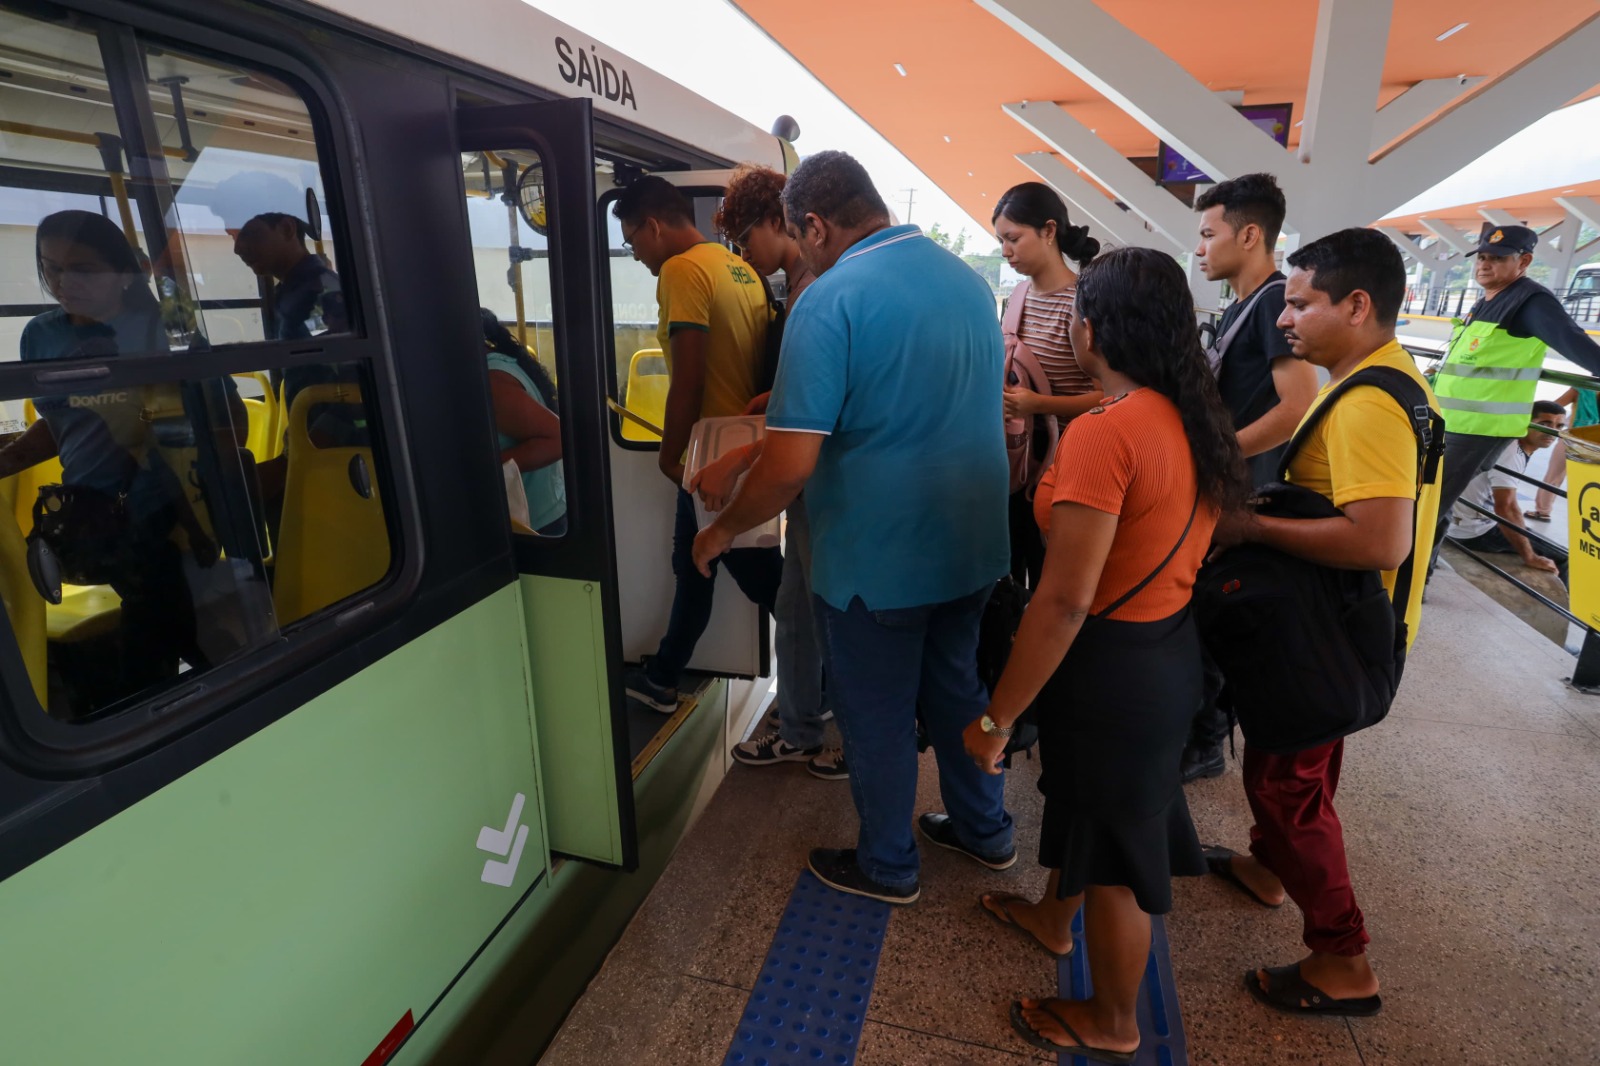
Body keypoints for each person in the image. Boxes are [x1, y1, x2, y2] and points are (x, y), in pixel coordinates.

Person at [691, 150, 1013, 904]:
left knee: (874, 716)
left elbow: (792, 466)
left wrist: (720, 531)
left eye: (802, 241)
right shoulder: (967, 280)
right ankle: (984, 832)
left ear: (814, 223)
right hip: (971, 549)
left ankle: (889, 865)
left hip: (879, 561)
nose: (800, 257)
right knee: (957, 692)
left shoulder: (830, 301)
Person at [959, 248, 1246, 1060]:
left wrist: (996, 716)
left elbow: (1064, 599)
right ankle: (1054, 920)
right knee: (1099, 807)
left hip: (1113, 666)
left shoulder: (1105, 432)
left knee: (1122, 853)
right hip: (1166, 648)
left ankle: (1112, 1019)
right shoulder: (1192, 414)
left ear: (1091, 329)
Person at [1207, 227, 1442, 1020]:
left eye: (1301, 303)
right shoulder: (1389, 375)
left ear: (1357, 304)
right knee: (1300, 769)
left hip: (1334, 638)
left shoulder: (1367, 404)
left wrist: (1253, 528)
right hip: (1355, 628)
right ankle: (1271, 869)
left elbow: (1381, 537)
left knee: (1287, 785)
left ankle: (1342, 959)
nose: (1285, 318)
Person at [0, 210, 214, 709]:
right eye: (49, 267)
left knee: (155, 655)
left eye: (83, 269)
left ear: (124, 273)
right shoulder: (41, 336)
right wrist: (11, 458)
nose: (61, 282)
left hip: (160, 512)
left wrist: (200, 522)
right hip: (84, 511)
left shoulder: (162, 328)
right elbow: (60, 422)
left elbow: (215, 424)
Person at [614, 176, 781, 714]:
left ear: (654, 226)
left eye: (632, 240)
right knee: (697, 562)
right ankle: (663, 674)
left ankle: (826, 683)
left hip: (713, 451)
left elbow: (687, 377)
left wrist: (670, 454)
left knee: (760, 577)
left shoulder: (681, 270)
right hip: (745, 438)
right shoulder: (740, 268)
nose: (635, 253)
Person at [699, 164, 845, 781]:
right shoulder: (802, 285)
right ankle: (807, 718)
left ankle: (808, 728)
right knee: (800, 601)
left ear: (773, 222)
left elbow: (808, 420)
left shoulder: (813, 291)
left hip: (814, 479)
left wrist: (736, 461)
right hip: (821, 481)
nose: (743, 255)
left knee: (809, 603)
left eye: (744, 239)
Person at [1181, 173, 1320, 783]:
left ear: (1251, 234)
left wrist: (1219, 455)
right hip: (1227, 483)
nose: (1200, 248)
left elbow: (1296, 406)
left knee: (1212, 612)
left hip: (1240, 487)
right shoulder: (1244, 305)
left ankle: (1206, 740)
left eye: (1209, 234)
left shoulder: (1271, 304)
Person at [1430, 224, 1600, 567]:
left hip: (1480, 427)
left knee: (1429, 504)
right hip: (1457, 422)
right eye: (1482, 257)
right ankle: (1415, 579)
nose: (1485, 264)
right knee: (1437, 503)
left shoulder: (1530, 302)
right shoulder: (1489, 299)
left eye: (1497, 258)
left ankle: (1400, 589)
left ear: (1524, 261)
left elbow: (1573, 341)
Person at [992, 182, 1103, 588]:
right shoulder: (1018, 295)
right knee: (1006, 576)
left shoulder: (1083, 303)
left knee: (1049, 579)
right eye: (1001, 240)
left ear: (1049, 231)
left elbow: (1110, 397)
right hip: (1017, 462)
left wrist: (1037, 404)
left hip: (1067, 466)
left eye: (1013, 238)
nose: (1006, 250)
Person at [1448, 399, 1567, 582]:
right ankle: (1570, 610)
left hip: (1459, 522)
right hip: (1474, 531)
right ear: (1525, 422)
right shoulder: (1512, 453)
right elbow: (1506, 508)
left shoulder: (1510, 443)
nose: (1553, 431)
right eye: (1545, 424)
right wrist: (1530, 556)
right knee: (1564, 557)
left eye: (1559, 425)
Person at [480, 310, 566, 537]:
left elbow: (557, 439)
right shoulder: (499, 365)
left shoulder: (493, 381)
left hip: (531, 522)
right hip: (541, 512)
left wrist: (481, 470)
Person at [1528, 385, 1596, 521]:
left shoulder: (1581, 388)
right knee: (1589, 482)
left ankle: (1543, 511)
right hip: (1595, 440)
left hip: (1574, 437)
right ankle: (1591, 516)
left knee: (1554, 476)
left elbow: (1554, 407)